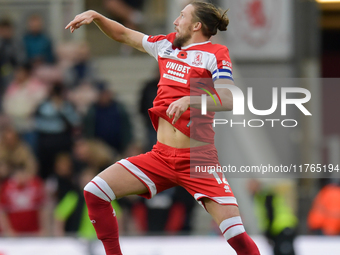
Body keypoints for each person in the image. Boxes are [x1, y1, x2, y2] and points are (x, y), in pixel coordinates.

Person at [66, 2, 260, 255]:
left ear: (196, 25)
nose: (175, 21)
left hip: (198, 160)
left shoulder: (215, 53)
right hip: (160, 156)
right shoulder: (166, 45)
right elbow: (123, 34)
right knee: (94, 191)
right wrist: (96, 16)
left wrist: (189, 99)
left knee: (236, 235)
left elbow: (230, 98)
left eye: (181, 16)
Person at [248, 179, 298, 255]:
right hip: (278, 229)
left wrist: (268, 231)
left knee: (285, 252)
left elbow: (270, 214)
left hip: (283, 227)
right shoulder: (260, 197)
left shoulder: (266, 196)